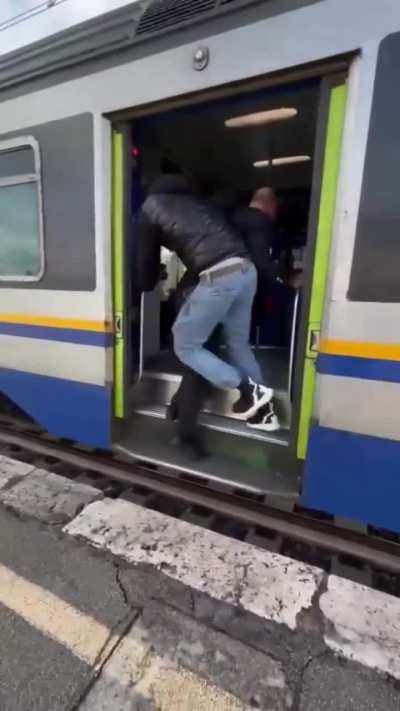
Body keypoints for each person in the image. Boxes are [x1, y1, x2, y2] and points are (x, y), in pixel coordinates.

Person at [135, 174, 274, 435]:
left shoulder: (150, 208)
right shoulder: (199, 203)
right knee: (238, 344)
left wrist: (143, 283)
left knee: (185, 344)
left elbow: (145, 270)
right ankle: (264, 413)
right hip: (245, 270)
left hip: (218, 275)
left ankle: (248, 390)